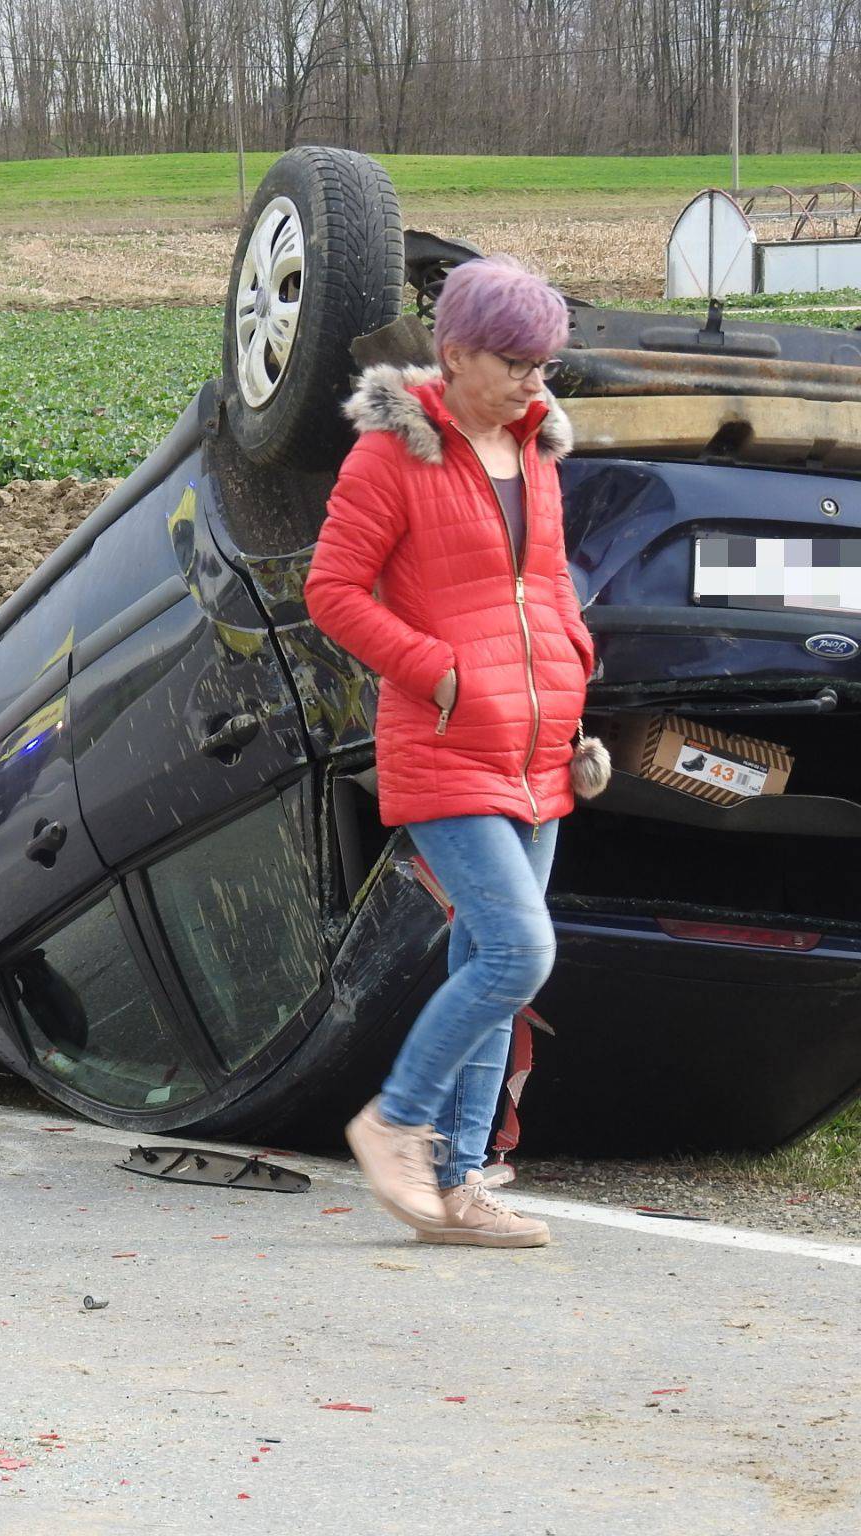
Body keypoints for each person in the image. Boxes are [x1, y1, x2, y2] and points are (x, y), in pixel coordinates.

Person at [304, 255, 594, 1249]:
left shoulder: (537, 454)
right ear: (455, 351)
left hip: (537, 746)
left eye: (544, 362)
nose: (533, 380)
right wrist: (438, 671)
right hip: (445, 745)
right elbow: (332, 592)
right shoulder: (392, 458)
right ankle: (396, 1121)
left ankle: (461, 1187)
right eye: (514, 361)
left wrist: (572, 677)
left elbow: (547, 586)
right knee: (518, 948)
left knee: (491, 959)